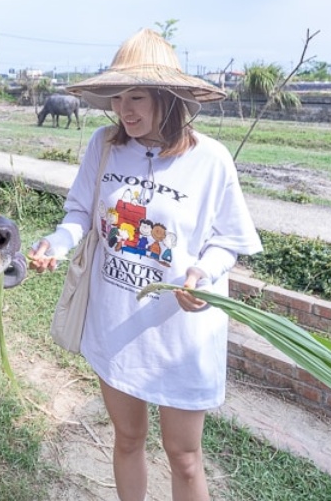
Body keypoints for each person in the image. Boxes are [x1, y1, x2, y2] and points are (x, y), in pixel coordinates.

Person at [28, 29, 262, 501]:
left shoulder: (210, 160)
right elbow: (80, 213)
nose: (124, 109)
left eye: (136, 96)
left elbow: (229, 241)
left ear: (169, 98)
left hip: (181, 331)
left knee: (185, 457)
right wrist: (57, 242)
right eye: (118, 97)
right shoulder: (105, 145)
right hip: (117, 320)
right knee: (128, 439)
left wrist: (203, 275)